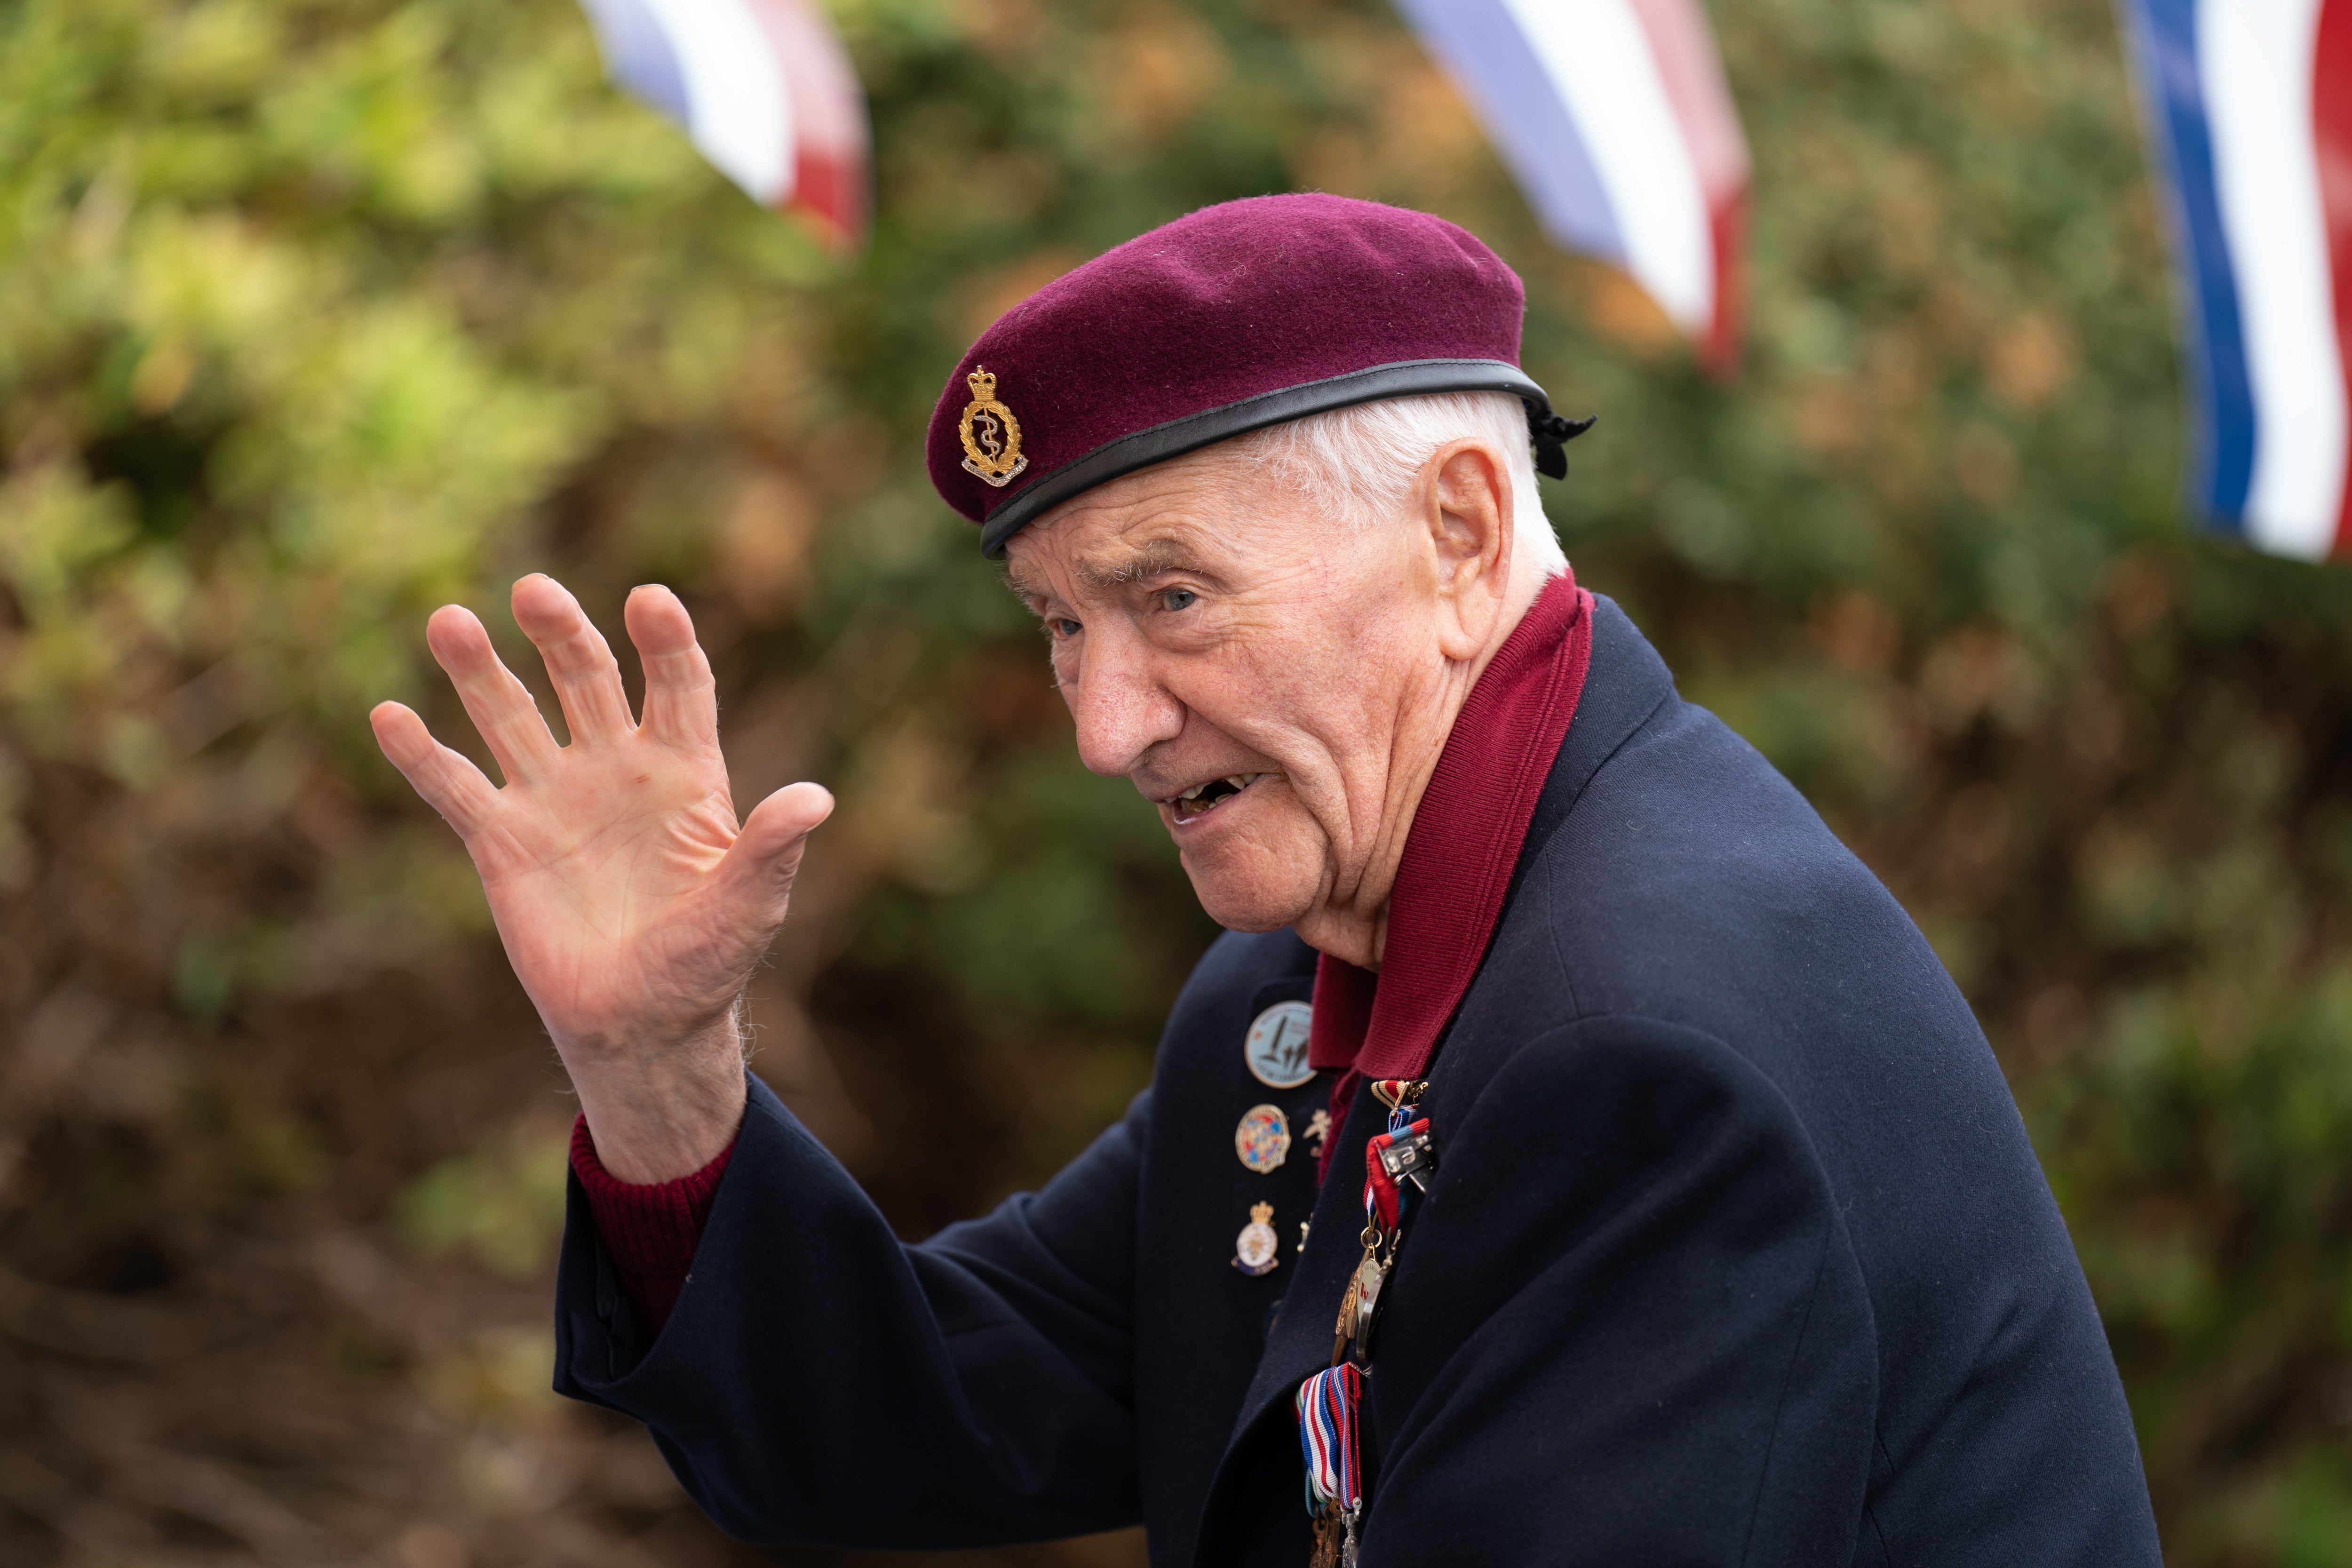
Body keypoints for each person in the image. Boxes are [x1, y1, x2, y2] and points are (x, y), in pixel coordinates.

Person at [369, 195, 2162, 1566]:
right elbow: (924, 1413)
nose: (1103, 724)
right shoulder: (1310, 977)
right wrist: (655, 1067)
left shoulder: (1658, 1037)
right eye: (1063, 627)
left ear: (1460, 533)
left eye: (1172, 599)